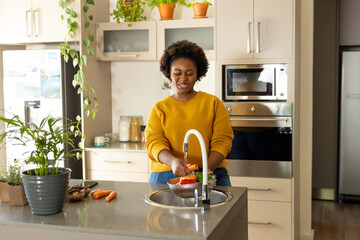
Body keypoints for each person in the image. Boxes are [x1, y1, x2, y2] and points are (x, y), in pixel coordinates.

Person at [145, 40, 234, 186]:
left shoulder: (213, 104)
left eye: (189, 73)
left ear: (198, 73)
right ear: (169, 73)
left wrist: (206, 170)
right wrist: (173, 162)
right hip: (166, 175)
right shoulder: (159, 108)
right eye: (177, 73)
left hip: (210, 171)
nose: (183, 78)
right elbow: (153, 142)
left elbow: (222, 140)